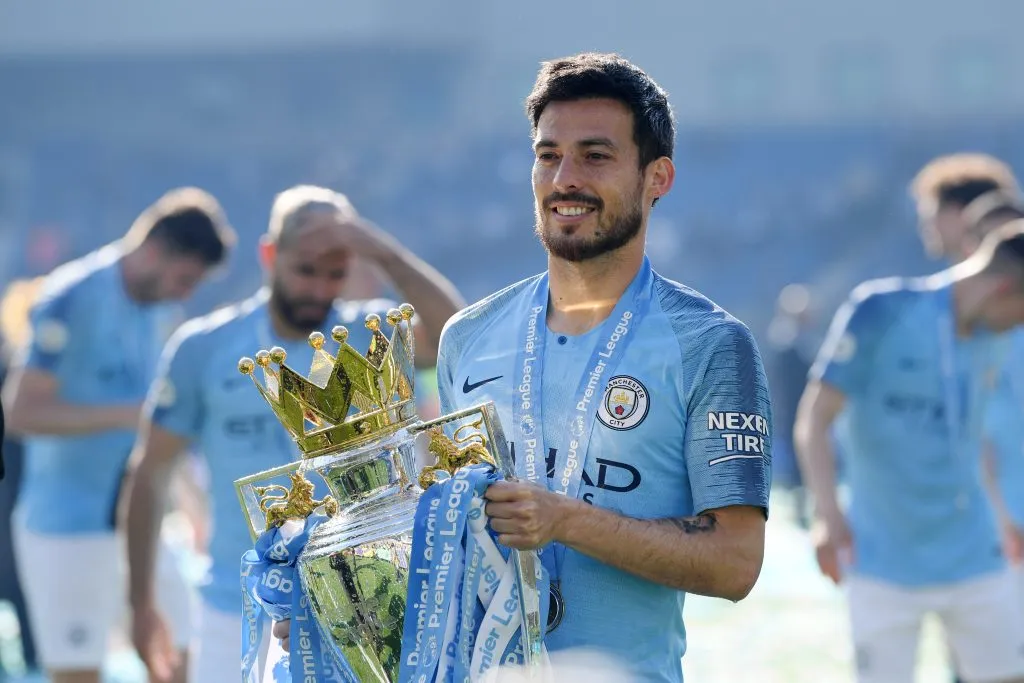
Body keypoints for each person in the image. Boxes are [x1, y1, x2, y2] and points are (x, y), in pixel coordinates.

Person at [434, 52, 771, 682]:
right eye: (548, 154)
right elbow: (450, 528)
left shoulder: (710, 344)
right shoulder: (469, 337)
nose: (565, 178)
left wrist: (564, 520)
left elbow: (735, 563)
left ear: (657, 177)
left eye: (596, 155)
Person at [121, 184, 465, 683]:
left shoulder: (369, 335)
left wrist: (380, 250)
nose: (319, 288)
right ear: (269, 254)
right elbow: (150, 474)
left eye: (336, 272)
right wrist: (141, 603)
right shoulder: (203, 347)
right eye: (305, 269)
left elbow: (458, 334)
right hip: (235, 608)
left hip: (358, 603)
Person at [1, 187, 236, 683]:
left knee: (179, 661)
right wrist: (128, 415)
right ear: (154, 251)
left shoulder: (162, 311)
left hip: (142, 524)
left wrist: (193, 506)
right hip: (66, 524)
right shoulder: (70, 298)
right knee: (78, 674)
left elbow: (161, 433)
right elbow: (20, 412)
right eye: (184, 278)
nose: (186, 293)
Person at [794, 216, 1024, 682]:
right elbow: (815, 418)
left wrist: (1002, 518)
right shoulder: (881, 309)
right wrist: (826, 514)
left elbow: (969, 434)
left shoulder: (991, 337)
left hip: (974, 552)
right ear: (1003, 290)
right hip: (882, 558)